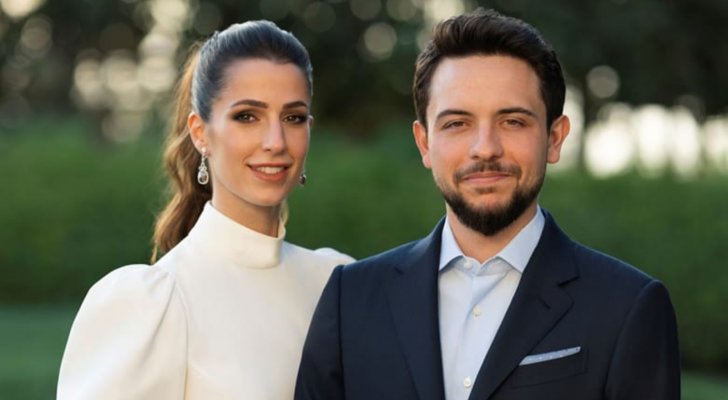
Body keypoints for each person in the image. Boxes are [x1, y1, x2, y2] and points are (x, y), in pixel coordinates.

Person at [295, 8, 679, 400]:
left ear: (555, 138)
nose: (485, 149)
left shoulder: (627, 307)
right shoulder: (351, 300)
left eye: (513, 122)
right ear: (424, 143)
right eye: (457, 124)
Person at [58, 20, 352, 399]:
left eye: (292, 118)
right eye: (247, 116)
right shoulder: (154, 302)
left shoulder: (336, 282)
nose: (275, 142)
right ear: (200, 132)